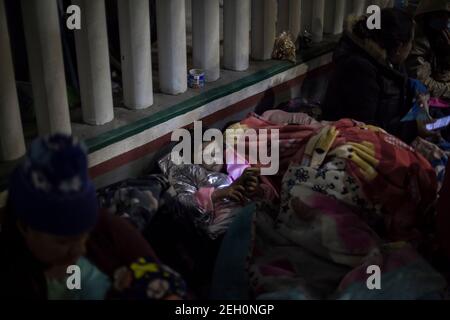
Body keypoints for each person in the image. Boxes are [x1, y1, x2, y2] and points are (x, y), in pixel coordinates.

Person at [0, 134, 186, 299]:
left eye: (83, 236)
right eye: (63, 242)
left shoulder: (106, 229)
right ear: (25, 227)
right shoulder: (13, 275)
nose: (79, 250)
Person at [322, 8, 435, 144]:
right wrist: (414, 128)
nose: (412, 47)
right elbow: (364, 129)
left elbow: (394, 98)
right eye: (411, 42)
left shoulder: (391, 60)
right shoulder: (359, 70)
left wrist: (418, 100)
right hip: (353, 142)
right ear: (399, 47)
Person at [406, 0, 450, 100]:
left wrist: (447, 56)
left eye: (447, 16)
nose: (446, 21)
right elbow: (424, 86)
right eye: (440, 15)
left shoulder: (440, 37)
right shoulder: (415, 42)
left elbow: (442, 76)